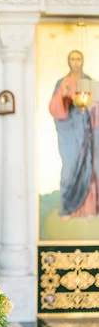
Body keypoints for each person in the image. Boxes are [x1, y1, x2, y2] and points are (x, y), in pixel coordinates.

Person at [49, 50, 99, 222]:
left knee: (89, 169)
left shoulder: (90, 82)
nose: (76, 62)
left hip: (87, 133)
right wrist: (62, 97)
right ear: (68, 61)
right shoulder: (62, 83)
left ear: (83, 61)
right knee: (70, 169)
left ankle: (90, 209)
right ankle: (69, 208)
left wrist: (94, 105)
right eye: (72, 59)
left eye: (78, 59)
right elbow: (55, 109)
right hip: (69, 134)